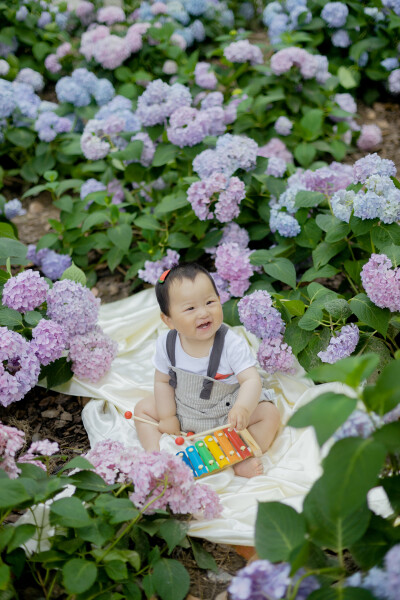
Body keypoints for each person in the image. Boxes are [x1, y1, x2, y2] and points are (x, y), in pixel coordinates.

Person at [134, 263, 280, 478]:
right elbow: (162, 382)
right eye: (190, 308)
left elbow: (251, 380)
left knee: (269, 414)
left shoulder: (231, 343)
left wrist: (243, 409)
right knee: (142, 409)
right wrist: (167, 416)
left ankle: (237, 457)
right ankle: (154, 455)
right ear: (168, 320)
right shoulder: (166, 343)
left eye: (210, 302)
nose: (204, 312)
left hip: (226, 414)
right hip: (183, 407)